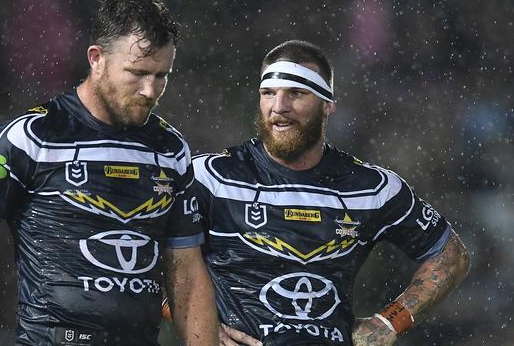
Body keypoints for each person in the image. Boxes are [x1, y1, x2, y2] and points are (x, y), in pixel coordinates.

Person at [0, 0, 218, 346]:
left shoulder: (171, 151)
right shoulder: (31, 138)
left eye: (162, 76)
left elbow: (186, 271)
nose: (150, 90)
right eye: (138, 73)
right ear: (96, 58)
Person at [187, 40, 470, 346]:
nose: (278, 107)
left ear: (328, 104)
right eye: (268, 93)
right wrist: (196, 324)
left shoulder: (371, 189)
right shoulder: (210, 177)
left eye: (296, 94)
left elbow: (451, 255)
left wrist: (390, 322)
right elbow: (141, 247)